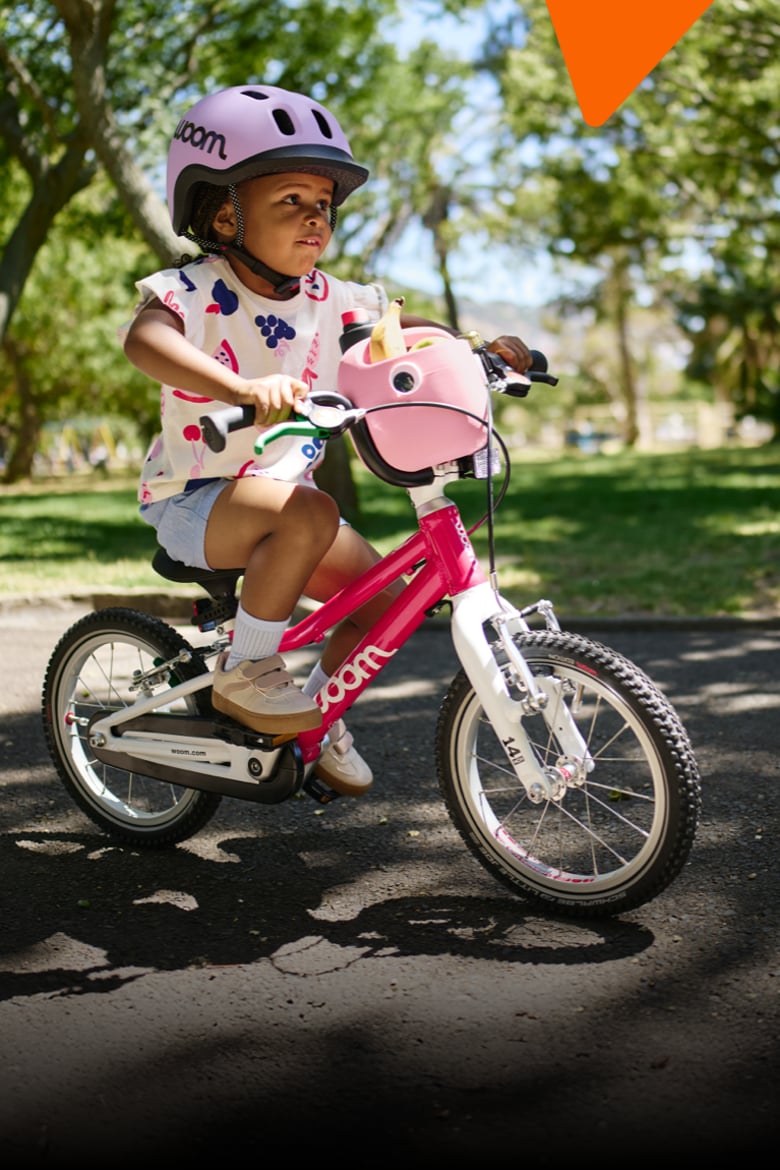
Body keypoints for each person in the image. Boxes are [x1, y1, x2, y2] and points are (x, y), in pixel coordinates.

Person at [123, 84, 531, 799]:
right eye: (291, 200)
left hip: (283, 505)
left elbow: (401, 337)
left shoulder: (332, 297)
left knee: (381, 609)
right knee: (308, 512)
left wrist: (477, 351)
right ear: (225, 212)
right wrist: (243, 389)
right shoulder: (192, 289)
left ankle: (317, 713)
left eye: (324, 203)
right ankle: (245, 673)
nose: (316, 216)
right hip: (195, 500)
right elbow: (146, 342)